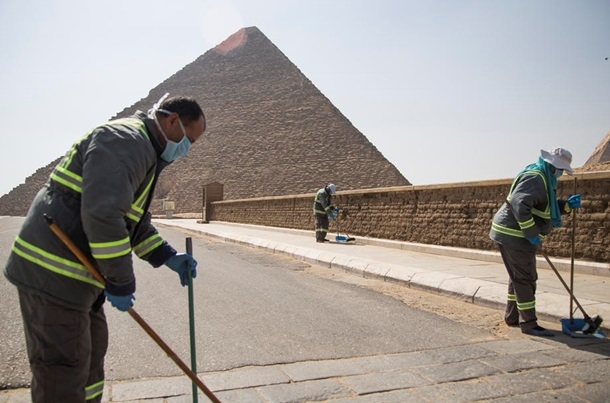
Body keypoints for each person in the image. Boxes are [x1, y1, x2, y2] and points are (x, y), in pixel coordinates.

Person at [4, 93, 206, 402]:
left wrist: (168, 256)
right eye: (189, 140)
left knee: (91, 359)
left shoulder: (145, 150)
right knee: (63, 371)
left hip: (80, 279)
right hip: (54, 273)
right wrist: (122, 282)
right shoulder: (125, 141)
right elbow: (104, 214)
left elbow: (132, 223)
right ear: (172, 120)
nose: (187, 150)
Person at [489, 147, 581, 337]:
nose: (562, 174)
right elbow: (519, 205)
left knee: (519, 277)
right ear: (552, 166)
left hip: (515, 234)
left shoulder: (544, 179)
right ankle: (529, 323)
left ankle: (513, 316)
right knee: (526, 278)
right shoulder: (536, 178)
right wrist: (531, 233)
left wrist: (566, 206)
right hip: (514, 235)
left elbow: (543, 206)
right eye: (561, 169)